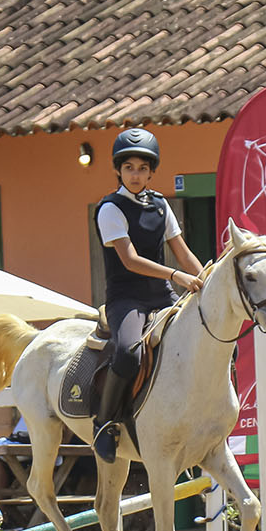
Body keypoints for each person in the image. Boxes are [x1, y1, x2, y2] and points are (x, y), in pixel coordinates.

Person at [92, 128, 206, 463]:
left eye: (143, 168)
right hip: (126, 300)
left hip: (161, 295)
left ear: (152, 171)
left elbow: (183, 254)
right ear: (118, 171)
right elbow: (129, 260)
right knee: (128, 353)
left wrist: (203, 282)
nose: (136, 174)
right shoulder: (109, 208)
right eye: (129, 168)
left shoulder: (160, 206)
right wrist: (175, 275)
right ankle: (105, 422)